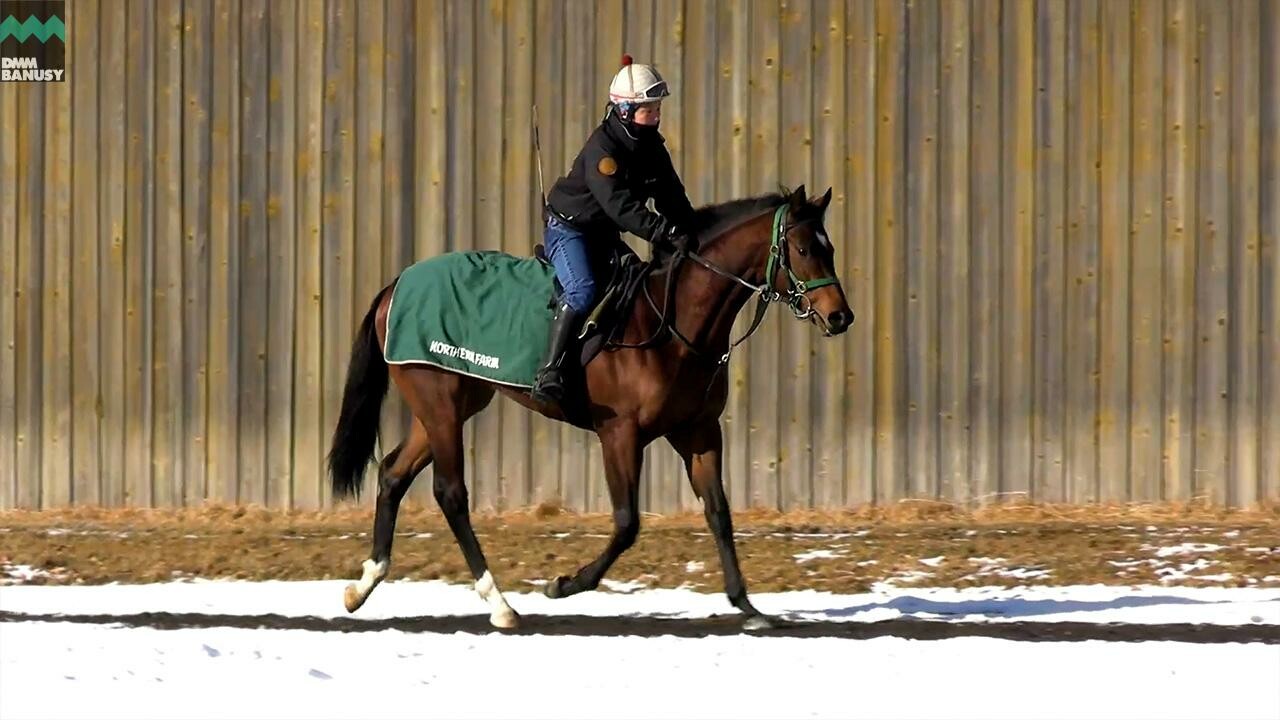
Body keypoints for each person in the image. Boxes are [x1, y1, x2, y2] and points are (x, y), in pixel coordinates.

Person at [531, 54, 698, 407]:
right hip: (570, 231)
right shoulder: (603, 150)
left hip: (603, 234)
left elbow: (671, 194)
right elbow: (620, 208)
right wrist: (663, 232)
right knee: (582, 291)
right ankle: (550, 372)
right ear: (624, 111)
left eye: (656, 109)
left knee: (637, 283)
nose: (656, 116)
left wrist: (690, 229)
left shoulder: (651, 146)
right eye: (648, 110)